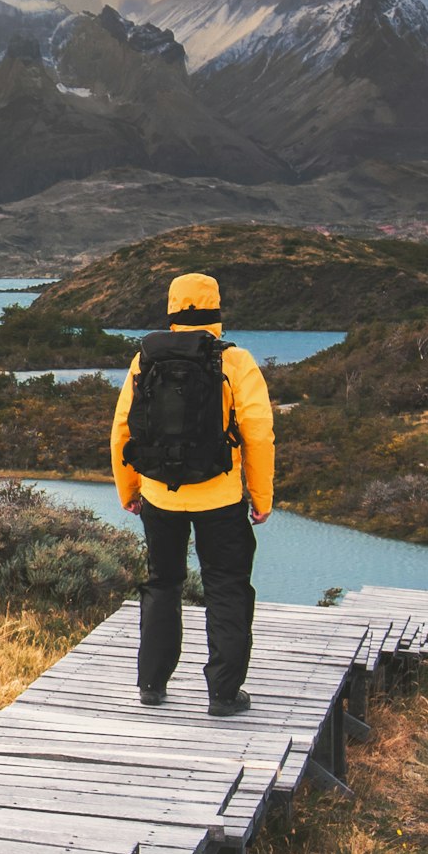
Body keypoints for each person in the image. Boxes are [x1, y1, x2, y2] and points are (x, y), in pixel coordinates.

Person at [107, 269, 274, 715]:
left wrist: (130, 488)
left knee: (162, 584)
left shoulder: (145, 358)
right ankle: (223, 693)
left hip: (159, 497)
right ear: (217, 309)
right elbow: (258, 434)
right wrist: (261, 497)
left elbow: (122, 428)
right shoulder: (235, 360)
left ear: (172, 309)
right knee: (227, 588)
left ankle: (152, 684)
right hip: (220, 500)